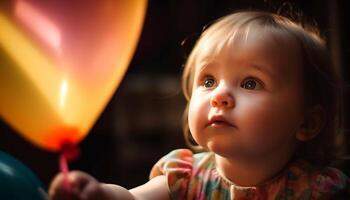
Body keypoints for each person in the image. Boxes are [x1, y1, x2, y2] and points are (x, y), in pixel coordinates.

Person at [49, 11, 350, 199]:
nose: (220, 96)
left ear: (307, 123)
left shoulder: (317, 190)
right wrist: (98, 193)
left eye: (250, 83)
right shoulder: (186, 177)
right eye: (208, 81)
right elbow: (132, 198)